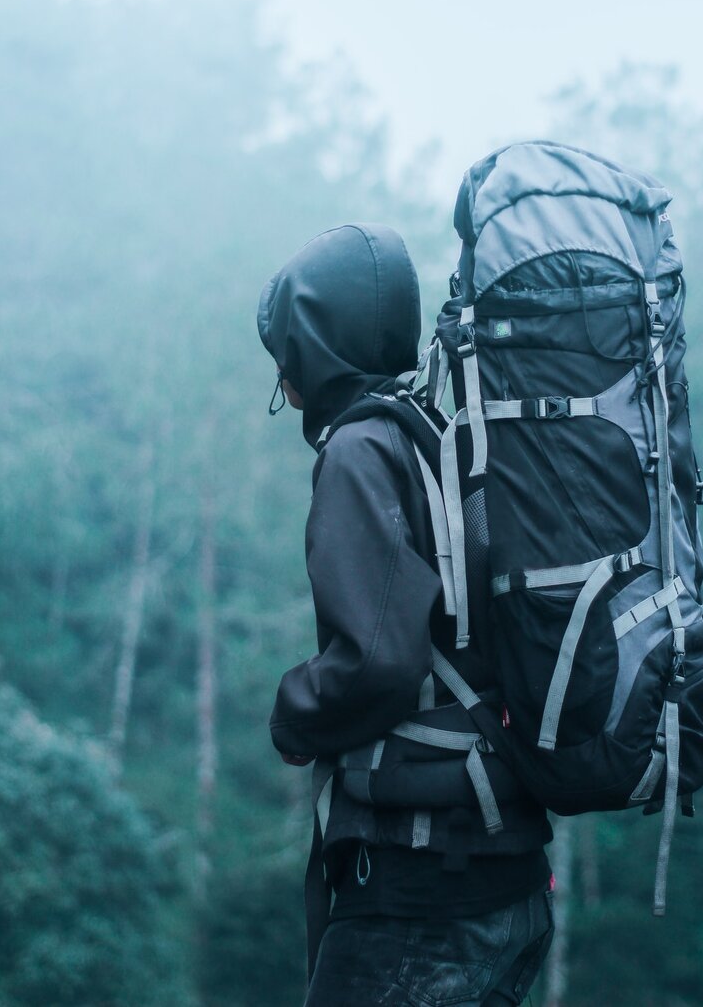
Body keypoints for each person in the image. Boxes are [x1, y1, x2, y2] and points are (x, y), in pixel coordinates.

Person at [257, 222, 554, 1007]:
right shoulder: (443, 439)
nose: (285, 384)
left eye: (287, 356)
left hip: (419, 894)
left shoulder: (359, 452)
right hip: (504, 881)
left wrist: (292, 716)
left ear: (316, 348)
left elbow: (377, 663)